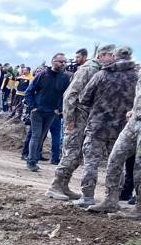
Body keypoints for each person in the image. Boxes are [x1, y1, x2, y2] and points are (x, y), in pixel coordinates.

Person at [47, 45, 109, 201]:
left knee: (76, 155)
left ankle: (64, 185)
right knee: (71, 153)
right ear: (102, 56)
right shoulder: (87, 70)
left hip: (85, 119)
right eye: (111, 55)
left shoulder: (98, 71)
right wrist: (69, 120)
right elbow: (69, 95)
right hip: (76, 119)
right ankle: (55, 186)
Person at [81, 47, 139, 211]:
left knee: (91, 161)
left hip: (97, 125)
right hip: (123, 127)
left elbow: (84, 98)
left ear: (114, 56)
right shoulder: (136, 77)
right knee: (116, 163)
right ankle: (113, 197)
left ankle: (87, 197)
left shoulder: (101, 74)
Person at [24, 53, 69, 171]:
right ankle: (31, 161)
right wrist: (32, 106)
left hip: (51, 112)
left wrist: (59, 109)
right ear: (53, 61)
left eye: (65, 62)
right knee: (36, 135)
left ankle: (34, 159)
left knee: (42, 136)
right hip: (37, 111)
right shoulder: (42, 75)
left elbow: (65, 96)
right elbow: (29, 91)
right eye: (60, 61)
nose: (63, 64)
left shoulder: (65, 78)